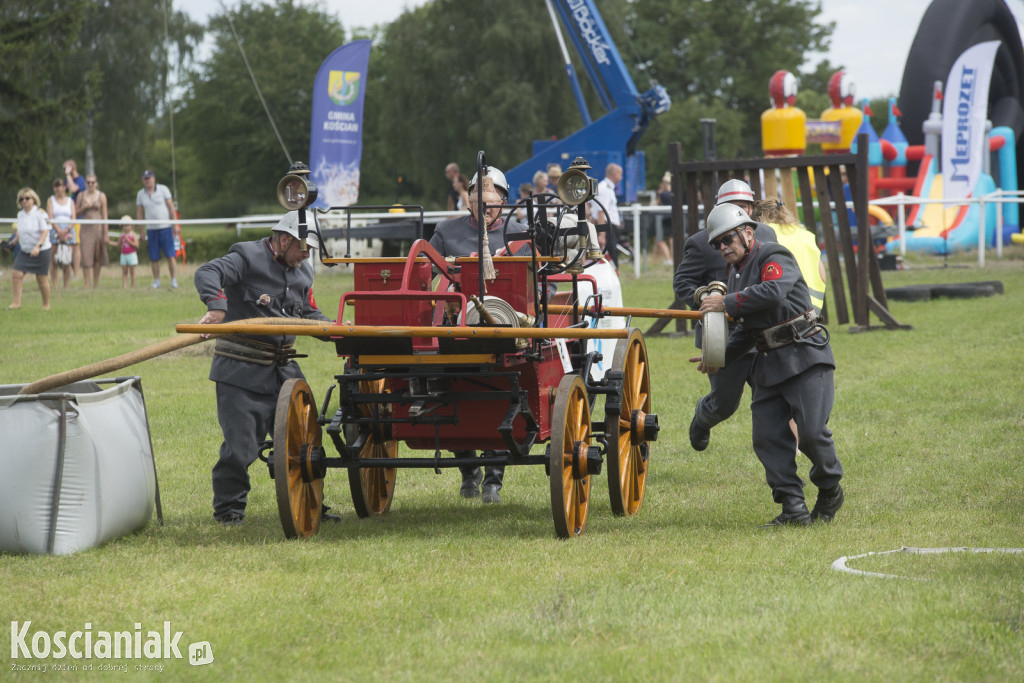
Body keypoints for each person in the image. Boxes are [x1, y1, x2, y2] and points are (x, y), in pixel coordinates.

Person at [695, 202, 844, 527]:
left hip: (805, 355)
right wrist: (717, 357)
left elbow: (773, 292)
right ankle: (793, 509)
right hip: (769, 365)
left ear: (748, 232)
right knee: (767, 437)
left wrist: (726, 302)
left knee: (810, 434)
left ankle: (830, 488)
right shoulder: (733, 275)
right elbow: (747, 331)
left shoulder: (773, 255)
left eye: (728, 239)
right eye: (717, 244)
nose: (723, 248)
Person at [194, 211, 333, 525]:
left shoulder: (303, 272)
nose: (307, 253)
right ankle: (229, 510)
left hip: (285, 371)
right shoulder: (246, 256)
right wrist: (216, 307)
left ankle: (312, 504)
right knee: (241, 447)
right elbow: (207, 272)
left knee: (306, 444)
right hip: (242, 369)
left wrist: (335, 329)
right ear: (283, 239)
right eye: (303, 246)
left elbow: (308, 312)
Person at [429, 167, 520, 504]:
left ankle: (493, 480)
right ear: (468, 201)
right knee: (451, 395)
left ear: (505, 202)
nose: (486, 208)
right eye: (480, 201)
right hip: (451, 327)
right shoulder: (446, 231)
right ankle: (469, 472)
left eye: (493, 202)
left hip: (506, 328)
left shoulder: (522, 233)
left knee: (501, 395)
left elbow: (544, 282)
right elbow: (426, 272)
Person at [673, 179, 776, 452]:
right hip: (723, 335)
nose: (740, 212)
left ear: (752, 209)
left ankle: (779, 459)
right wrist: (705, 298)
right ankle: (702, 419)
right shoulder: (699, 242)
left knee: (772, 400)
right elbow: (682, 282)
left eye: (744, 206)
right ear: (719, 209)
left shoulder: (767, 234)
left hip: (761, 331)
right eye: (733, 207)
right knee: (725, 404)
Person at [750, 199, 827, 315]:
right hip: (813, 308)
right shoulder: (805, 234)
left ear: (760, 216)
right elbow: (823, 276)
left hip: (785, 308)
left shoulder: (765, 235)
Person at [8, 188, 52, 310]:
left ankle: (46, 305)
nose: (24, 201)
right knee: (16, 274)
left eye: (27, 198)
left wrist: (38, 246)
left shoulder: (40, 214)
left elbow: (44, 232)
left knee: (41, 278)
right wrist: (13, 243)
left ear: (33, 200)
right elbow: (20, 232)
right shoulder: (20, 215)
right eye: (22, 199)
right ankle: (16, 303)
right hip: (25, 250)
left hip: (41, 250)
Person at [136, 169, 177, 289]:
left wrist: (175, 225)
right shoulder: (140, 194)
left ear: (154, 178)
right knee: (154, 257)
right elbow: (139, 213)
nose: (147, 180)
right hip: (151, 229)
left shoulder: (163, 189)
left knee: (170, 255)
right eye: (145, 178)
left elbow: (171, 208)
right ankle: (157, 281)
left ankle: (173, 279)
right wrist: (141, 230)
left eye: (149, 178)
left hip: (165, 227)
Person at [76, 174, 110, 288]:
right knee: (86, 255)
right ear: (85, 183)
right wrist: (84, 207)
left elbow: (105, 215)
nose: (90, 184)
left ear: (96, 183)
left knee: (97, 255)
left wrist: (106, 232)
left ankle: (95, 283)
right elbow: (75, 213)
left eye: (92, 182)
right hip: (86, 228)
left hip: (98, 227)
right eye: (88, 182)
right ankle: (87, 283)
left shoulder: (101, 196)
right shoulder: (81, 195)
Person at [47, 178, 76, 289]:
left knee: (67, 260)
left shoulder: (70, 201)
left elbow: (73, 218)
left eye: (60, 186)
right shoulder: (51, 200)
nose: (58, 188)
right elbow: (50, 216)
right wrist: (58, 230)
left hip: (68, 230)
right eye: (56, 186)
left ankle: (66, 285)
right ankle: (54, 284)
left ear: (65, 187)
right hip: (55, 229)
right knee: (53, 259)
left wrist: (66, 230)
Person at [588, 163, 623, 253]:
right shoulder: (604, 188)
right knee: (611, 258)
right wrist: (602, 235)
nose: (621, 177)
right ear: (615, 174)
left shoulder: (605, 187)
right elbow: (601, 212)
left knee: (612, 256)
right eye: (620, 174)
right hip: (607, 227)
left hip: (608, 227)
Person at [652, 172, 674, 265]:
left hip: (665, 218)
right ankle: (673, 258)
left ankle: (668, 258)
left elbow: (658, 203)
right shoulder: (674, 193)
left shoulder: (663, 194)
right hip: (674, 217)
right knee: (672, 239)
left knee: (660, 240)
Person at [118, 216, 140, 288]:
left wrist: (129, 241)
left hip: (131, 254)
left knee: (132, 272)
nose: (126, 227)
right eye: (124, 225)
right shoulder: (121, 235)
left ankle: (133, 286)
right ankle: (124, 286)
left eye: (127, 225)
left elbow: (137, 245)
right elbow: (118, 244)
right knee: (124, 272)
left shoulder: (133, 234)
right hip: (123, 255)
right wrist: (108, 242)